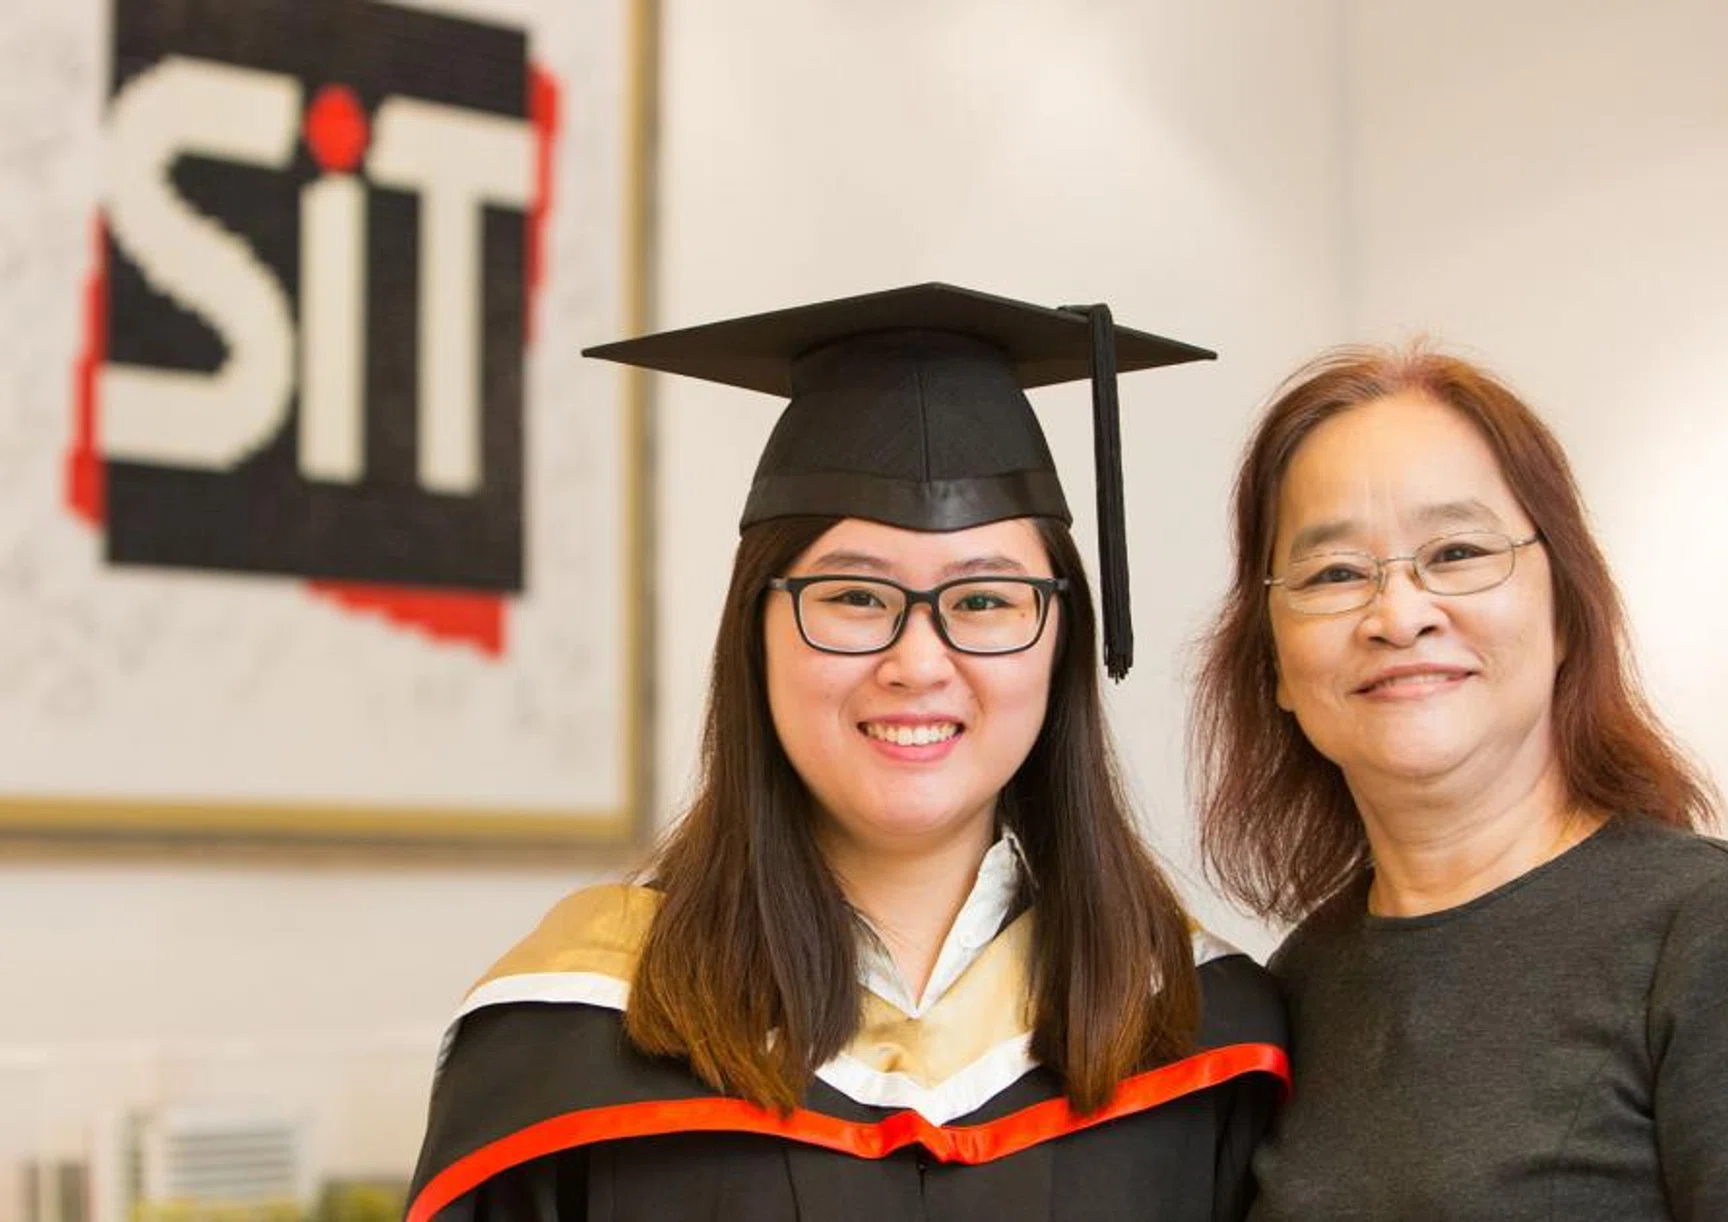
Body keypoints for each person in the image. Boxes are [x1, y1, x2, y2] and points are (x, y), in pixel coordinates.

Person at [406, 284, 1290, 1222]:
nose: (918, 662)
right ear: (757, 630)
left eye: (986, 601)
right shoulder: (566, 1044)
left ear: (1063, 641)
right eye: (854, 598)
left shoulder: (1204, 1039)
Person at [1192, 342, 1728, 1220]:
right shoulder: (1299, 984)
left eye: (1455, 552)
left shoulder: (1725, 933)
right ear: (1277, 669)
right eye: (1335, 574)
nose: (1399, 615)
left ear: (1566, 612)